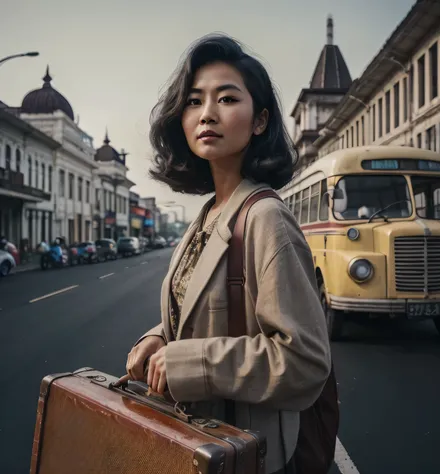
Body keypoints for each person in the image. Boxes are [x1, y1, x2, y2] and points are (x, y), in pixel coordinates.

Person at [123, 34, 331, 474]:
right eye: (194, 101)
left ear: (259, 121)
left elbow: (305, 361)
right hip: (203, 444)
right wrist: (161, 336)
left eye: (227, 98)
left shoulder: (266, 218)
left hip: (252, 455)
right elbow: (209, 305)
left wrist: (192, 362)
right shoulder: (207, 216)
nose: (207, 114)